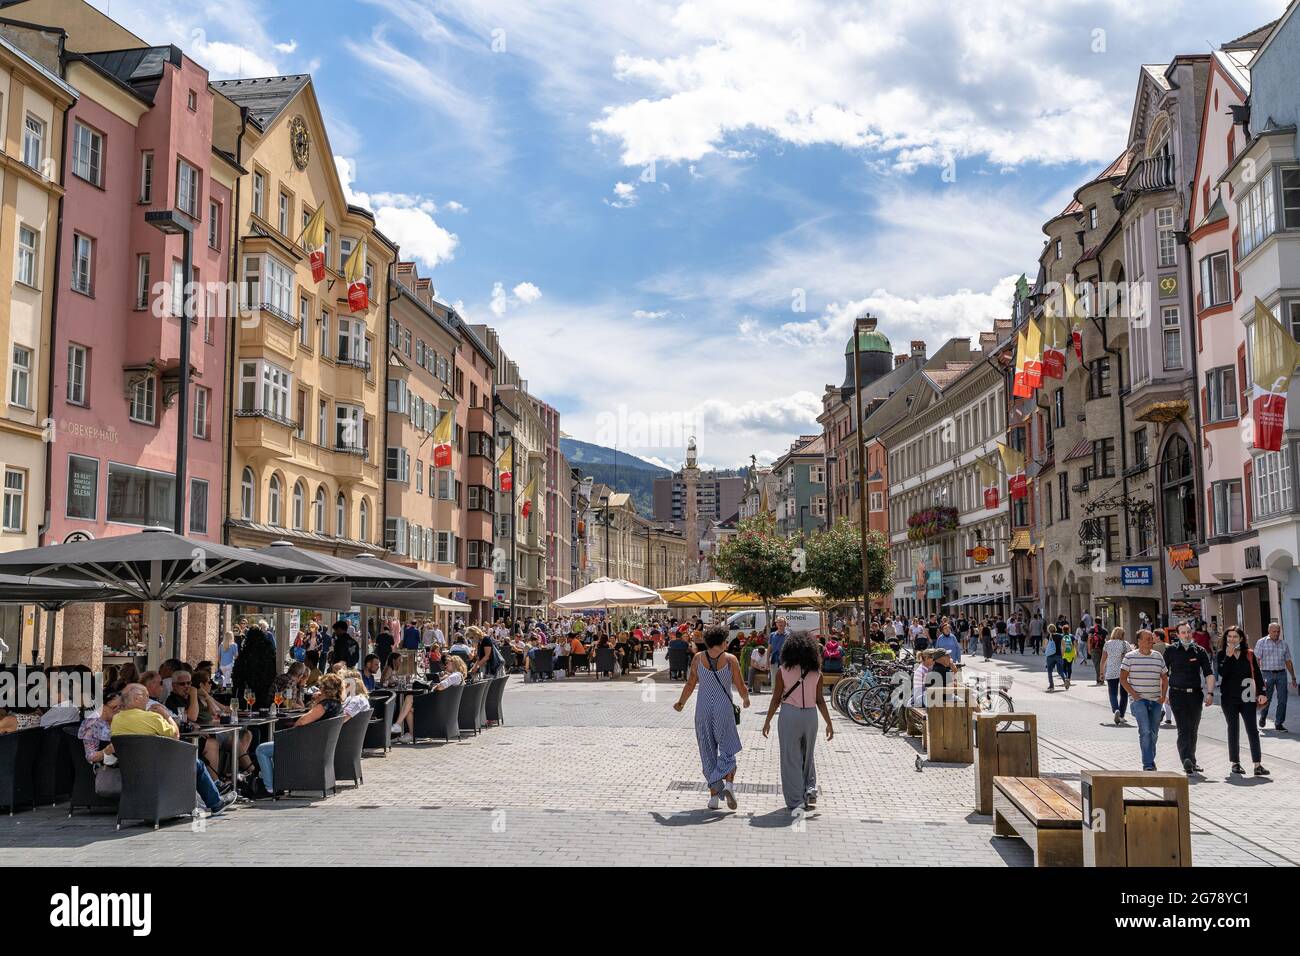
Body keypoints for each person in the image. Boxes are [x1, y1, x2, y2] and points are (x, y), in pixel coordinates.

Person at [112, 683, 232, 815]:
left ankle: (207, 797)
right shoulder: (152, 717)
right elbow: (175, 735)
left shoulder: (116, 719)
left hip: (131, 771)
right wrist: (166, 715)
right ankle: (216, 804)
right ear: (136, 699)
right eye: (145, 695)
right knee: (196, 763)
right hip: (160, 770)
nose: (148, 699)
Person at [673, 626, 749, 811]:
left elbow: (691, 683)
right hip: (724, 709)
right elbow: (739, 684)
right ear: (722, 641)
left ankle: (714, 798)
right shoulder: (730, 659)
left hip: (703, 709)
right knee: (728, 749)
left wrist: (681, 703)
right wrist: (745, 698)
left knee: (707, 751)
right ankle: (729, 786)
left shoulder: (698, 658)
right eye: (726, 640)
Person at [761, 632, 832, 813]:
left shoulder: (783, 671)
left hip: (789, 715)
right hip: (810, 715)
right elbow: (820, 701)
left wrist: (767, 721)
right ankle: (810, 788)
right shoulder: (817, 673)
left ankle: (795, 800)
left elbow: (776, 699)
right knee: (807, 755)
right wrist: (829, 723)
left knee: (790, 757)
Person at [254, 674, 344, 795]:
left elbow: (303, 721)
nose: (318, 689)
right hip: (318, 746)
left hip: (305, 747)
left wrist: (290, 734)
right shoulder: (336, 705)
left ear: (324, 689)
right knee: (273, 747)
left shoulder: (324, 705)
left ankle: (270, 788)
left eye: (320, 687)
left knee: (261, 750)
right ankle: (278, 780)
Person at [1216, 626, 1269, 777]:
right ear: (1226, 639)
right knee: (1233, 729)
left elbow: (1257, 675)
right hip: (1229, 697)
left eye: (1235, 637)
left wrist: (1262, 692)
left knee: (1252, 729)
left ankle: (1257, 764)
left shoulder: (1249, 654)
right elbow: (1221, 673)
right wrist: (1228, 656)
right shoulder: (1221, 654)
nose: (1232, 639)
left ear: (1241, 639)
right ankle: (1235, 763)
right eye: (1229, 637)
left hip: (1247, 695)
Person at [1165, 621, 1215, 775]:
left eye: (1188, 632)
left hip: (1195, 694)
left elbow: (1208, 673)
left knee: (1193, 728)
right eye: (1183, 632)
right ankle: (1186, 759)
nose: (1186, 635)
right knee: (1183, 728)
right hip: (1177, 694)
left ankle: (1192, 760)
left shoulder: (1199, 651)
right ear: (1178, 634)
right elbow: (1163, 674)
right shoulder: (1171, 651)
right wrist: (1165, 694)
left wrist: (1210, 693)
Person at [1120, 630, 1169, 771]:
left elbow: (1165, 678)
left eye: (1151, 639)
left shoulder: (1158, 656)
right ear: (1139, 641)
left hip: (1155, 700)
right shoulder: (1130, 657)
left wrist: (1163, 696)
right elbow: (1123, 679)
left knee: (1153, 732)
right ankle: (1148, 764)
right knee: (1146, 730)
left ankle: (1150, 759)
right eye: (1147, 639)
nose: (1150, 641)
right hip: (1138, 701)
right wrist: (1134, 696)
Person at [393, 656, 467, 741]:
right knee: (409, 709)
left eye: (448, 663)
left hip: (437, 707)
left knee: (409, 698)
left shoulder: (455, 676)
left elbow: (441, 686)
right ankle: (411, 734)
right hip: (444, 707)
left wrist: (435, 687)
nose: (446, 666)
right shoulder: (458, 676)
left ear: (454, 664)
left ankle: (398, 725)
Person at [1256, 620, 1296, 733]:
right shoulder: (1261, 642)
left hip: (1281, 674)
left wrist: (1293, 677)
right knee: (1265, 699)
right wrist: (1257, 676)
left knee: (1283, 699)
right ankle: (1263, 716)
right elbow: (1256, 660)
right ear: (1269, 631)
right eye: (1274, 631)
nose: (1276, 633)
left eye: (1278, 631)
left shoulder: (1284, 644)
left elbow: (1288, 661)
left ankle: (1279, 723)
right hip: (1266, 673)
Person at [232, 623, 277, 708]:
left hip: (248, 691)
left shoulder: (245, 654)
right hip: (265, 691)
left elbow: (237, 675)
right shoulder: (267, 651)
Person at [1100, 627, 1131, 725]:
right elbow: (1130, 657)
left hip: (1111, 671)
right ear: (1122, 635)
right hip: (1123, 671)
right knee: (1124, 694)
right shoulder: (1125, 644)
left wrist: (1101, 673)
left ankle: (1115, 710)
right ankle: (1121, 715)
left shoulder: (1108, 644)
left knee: (1112, 693)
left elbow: (1103, 660)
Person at [1044, 624, 1067, 691]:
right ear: (1055, 629)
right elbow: (1064, 645)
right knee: (1060, 671)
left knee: (1049, 671)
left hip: (1050, 656)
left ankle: (1051, 686)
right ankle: (1065, 680)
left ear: (1048, 630)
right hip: (1058, 655)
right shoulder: (1060, 636)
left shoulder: (1048, 636)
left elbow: (1045, 646)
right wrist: (1062, 654)